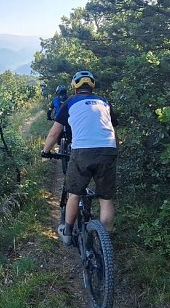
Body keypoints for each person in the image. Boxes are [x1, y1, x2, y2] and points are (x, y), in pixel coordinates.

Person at [41, 70, 118, 245]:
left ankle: (67, 231)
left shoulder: (70, 102)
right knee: (106, 199)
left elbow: (54, 132)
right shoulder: (104, 102)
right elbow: (114, 130)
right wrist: (114, 150)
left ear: (75, 87)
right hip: (108, 150)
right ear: (92, 87)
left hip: (83, 152)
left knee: (74, 194)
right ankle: (104, 242)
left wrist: (45, 151)